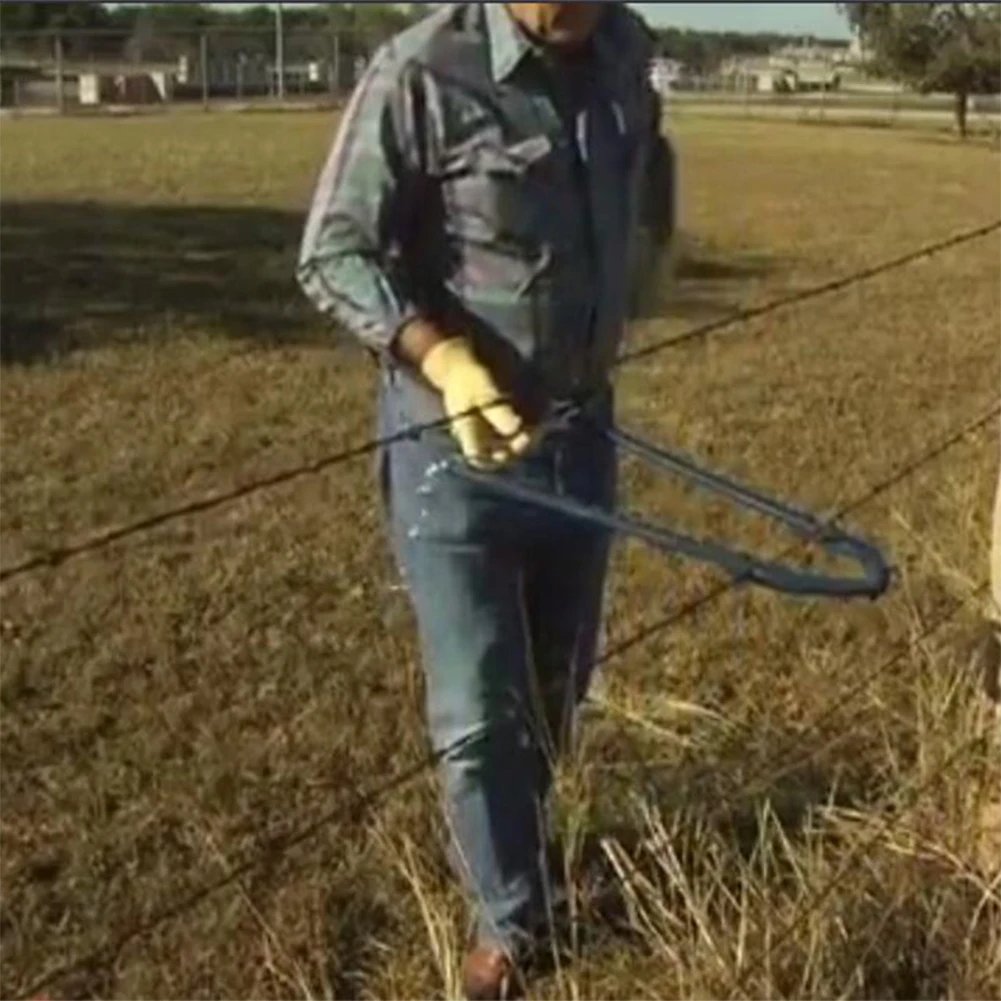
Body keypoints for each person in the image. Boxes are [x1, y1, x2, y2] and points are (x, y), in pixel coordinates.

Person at [297, 3, 674, 997]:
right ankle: (504, 925)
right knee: (475, 711)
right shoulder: (420, 73)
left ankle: (524, 860)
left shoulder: (626, 48)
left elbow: (651, 149)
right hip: (452, 457)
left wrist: (650, 244)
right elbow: (332, 251)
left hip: (582, 435)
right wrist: (441, 353)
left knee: (554, 691)